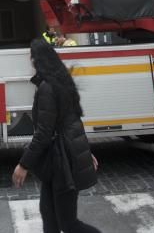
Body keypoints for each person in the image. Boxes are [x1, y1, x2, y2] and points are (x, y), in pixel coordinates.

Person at [12, 38, 101, 233]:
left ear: (38, 60)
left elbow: (44, 133)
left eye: (31, 56)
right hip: (58, 161)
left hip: (63, 163)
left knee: (67, 224)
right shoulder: (61, 82)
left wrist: (23, 164)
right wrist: (84, 151)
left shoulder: (47, 87)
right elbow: (73, 121)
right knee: (49, 216)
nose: (29, 60)